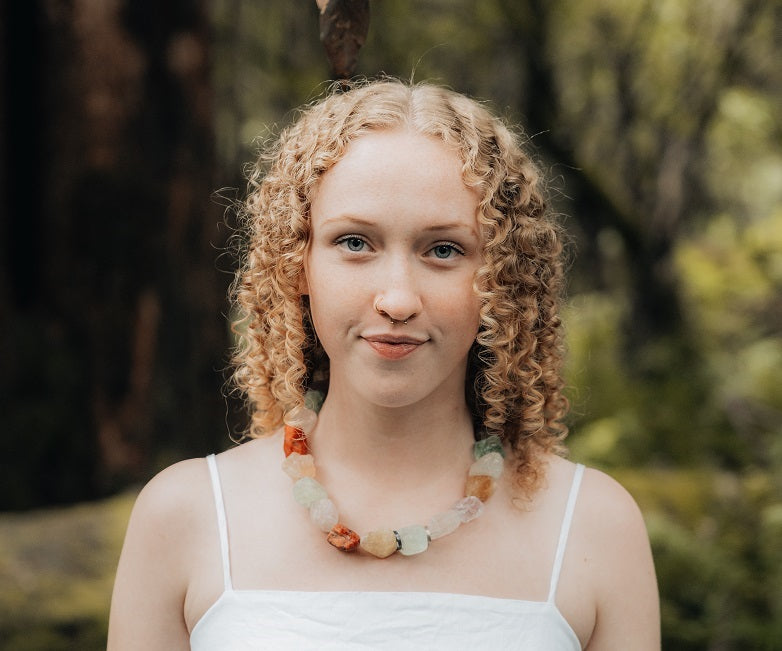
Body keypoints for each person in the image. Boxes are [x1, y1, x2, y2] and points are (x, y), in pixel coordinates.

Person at [108, 79, 660, 650]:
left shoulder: (594, 527)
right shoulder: (185, 517)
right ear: (297, 265)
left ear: (502, 279)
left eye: (443, 250)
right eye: (354, 243)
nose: (397, 299)